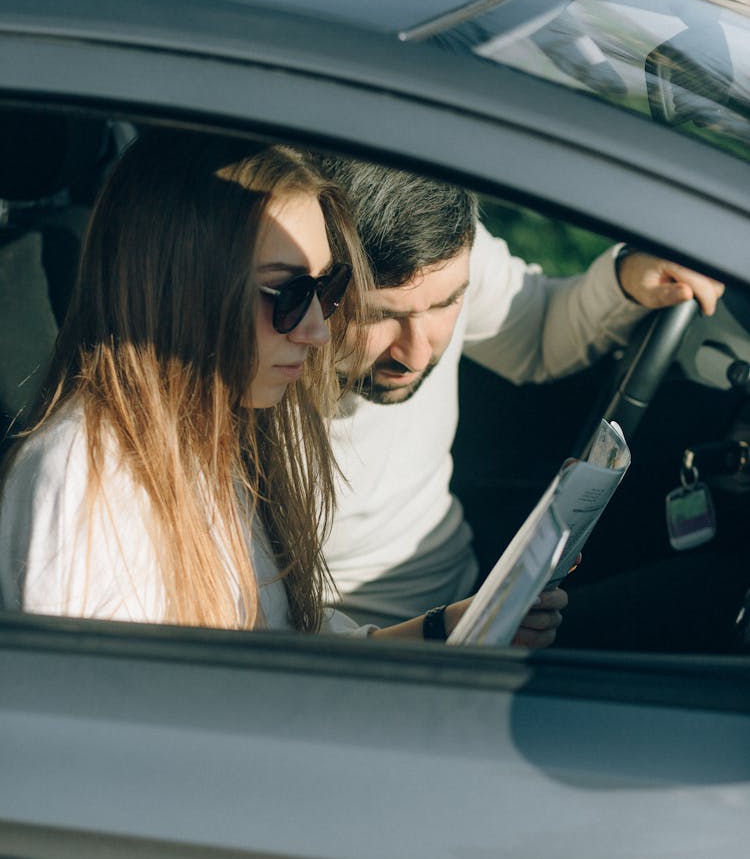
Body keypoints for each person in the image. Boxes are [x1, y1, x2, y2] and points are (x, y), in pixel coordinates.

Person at [0, 132, 501, 643]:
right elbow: (108, 714)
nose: (317, 329)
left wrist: (444, 632)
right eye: (287, 293)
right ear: (188, 288)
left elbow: (283, 646)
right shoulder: (84, 478)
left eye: (325, 290)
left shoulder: (220, 433)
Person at [314, 157, 725, 627]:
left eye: (448, 303)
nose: (418, 353)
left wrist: (627, 281)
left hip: (471, 592)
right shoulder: (240, 395)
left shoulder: (442, 245)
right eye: (375, 316)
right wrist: (439, 633)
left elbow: (535, 332)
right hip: (368, 665)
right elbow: (263, 630)